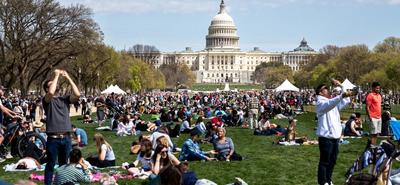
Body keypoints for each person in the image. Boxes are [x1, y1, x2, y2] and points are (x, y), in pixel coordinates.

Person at [42, 69, 80, 185]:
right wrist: (57, 75)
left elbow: (77, 94)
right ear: (47, 89)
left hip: (66, 138)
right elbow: (51, 92)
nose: (55, 85)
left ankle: (62, 182)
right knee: (51, 164)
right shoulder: (47, 100)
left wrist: (68, 77)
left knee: (64, 164)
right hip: (53, 139)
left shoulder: (65, 99)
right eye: (51, 84)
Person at [315, 80, 352, 185]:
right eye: (325, 88)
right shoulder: (320, 102)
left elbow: (346, 100)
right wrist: (341, 95)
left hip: (335, 137)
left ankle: (328, 180)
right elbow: (330, 104)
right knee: (324, 161)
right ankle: (322, 182)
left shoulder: (332, 101)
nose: (328, 90)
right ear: (320, 92)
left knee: (332, 161)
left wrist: (341, 86)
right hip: (326, 138)